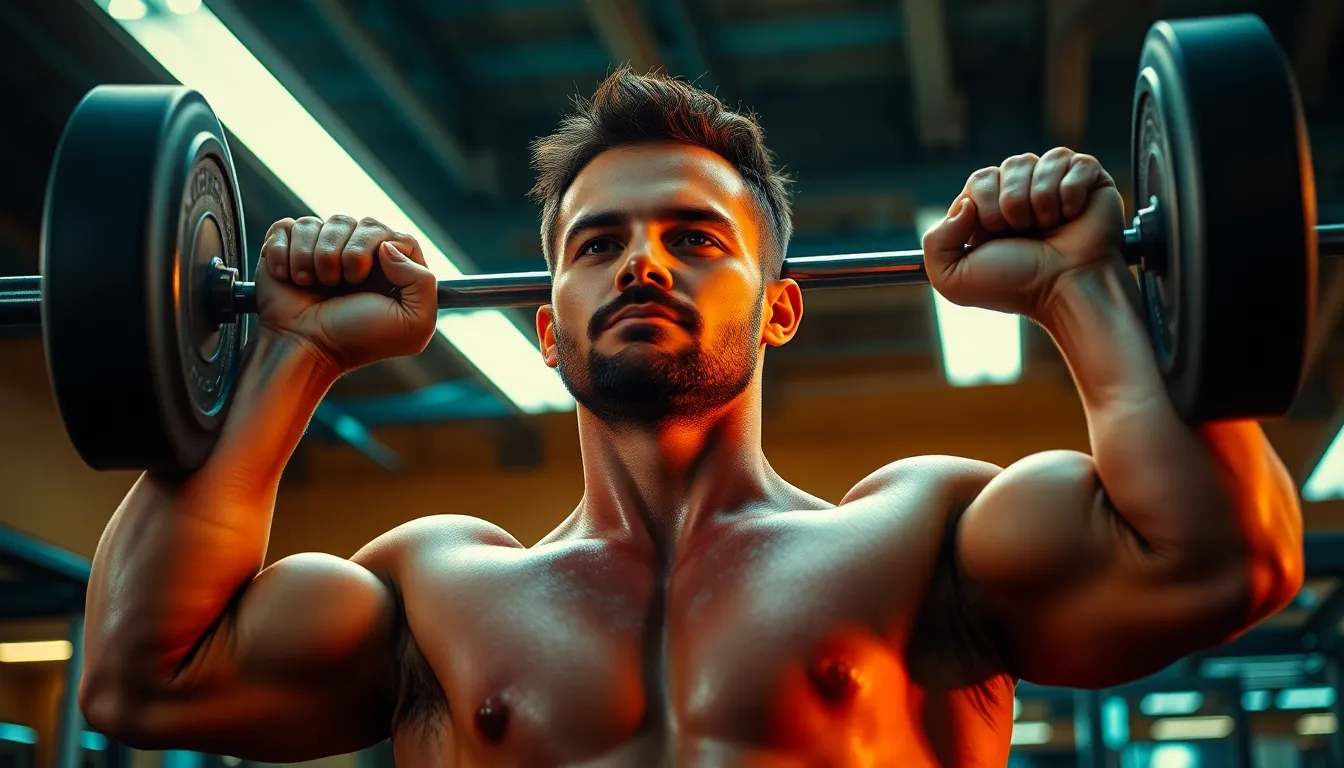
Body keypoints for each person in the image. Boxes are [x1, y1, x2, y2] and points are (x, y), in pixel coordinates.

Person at [79, 69, 1304, 766]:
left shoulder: (920, 536)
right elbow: (144, 678)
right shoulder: (437, 587)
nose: (643, 263)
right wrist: (287, 356)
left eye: (696, 238)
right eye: (598, 243)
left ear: (780, 309)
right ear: (547, 325)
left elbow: (1227, 557)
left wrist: (1083, 291)